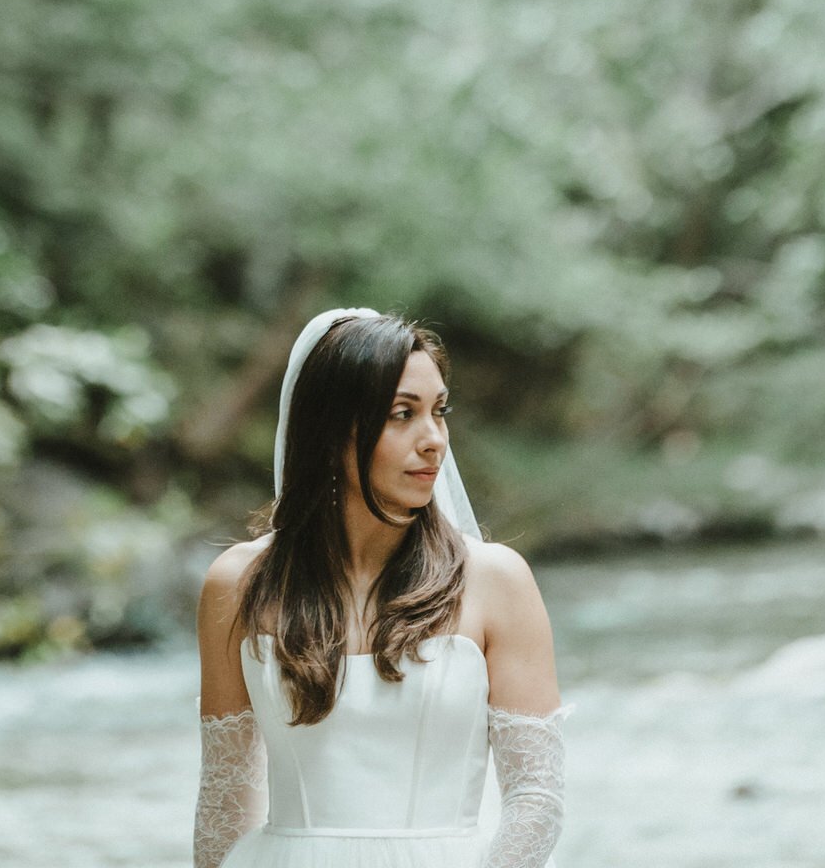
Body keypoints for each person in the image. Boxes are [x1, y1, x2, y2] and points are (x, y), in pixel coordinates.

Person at [194, 307, 567, 868]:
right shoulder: (238, 583)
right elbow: (224, 799)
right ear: (329, 430)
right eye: (401, 414)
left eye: (439, 412)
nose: (434, 440)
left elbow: (537, 797)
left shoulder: (496, 580)